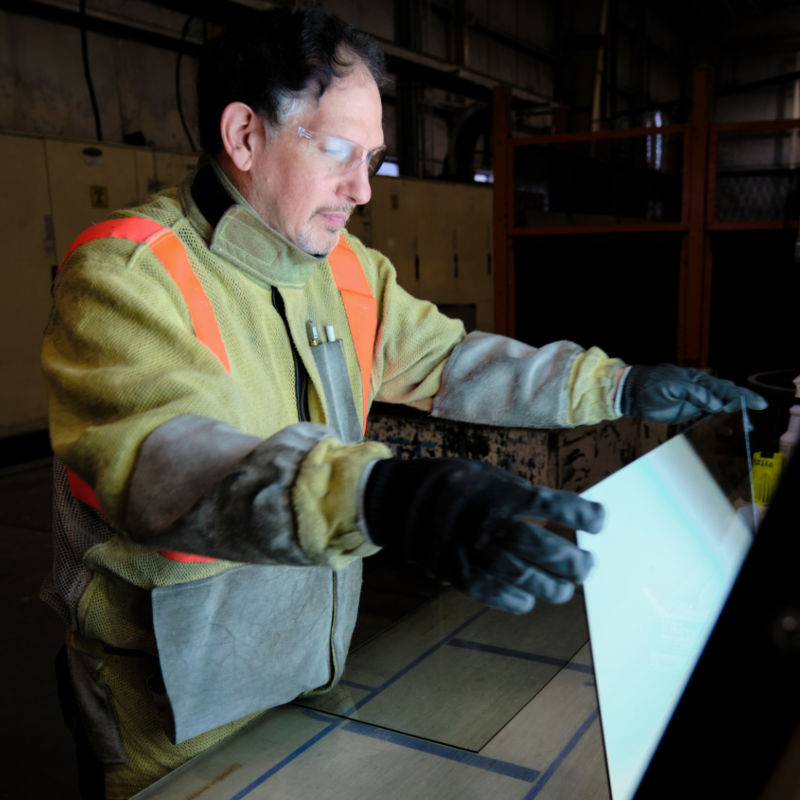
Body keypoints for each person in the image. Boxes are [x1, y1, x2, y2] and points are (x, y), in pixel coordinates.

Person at [40, 6, 766, 799]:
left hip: (307, 668)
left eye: (374, 159)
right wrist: (382, 496)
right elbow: (164, 461)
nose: (362, 189)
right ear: (245, 136)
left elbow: (451, 359)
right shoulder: (128, 274)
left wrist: (618, 385)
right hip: (168, 717)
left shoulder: (342, 267)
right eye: (339, 152)